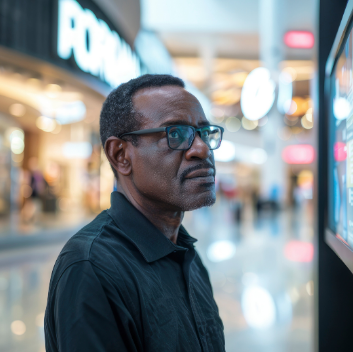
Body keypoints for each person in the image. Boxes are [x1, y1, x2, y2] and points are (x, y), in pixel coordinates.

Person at [44, 75, 226, 351]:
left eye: (204, 133)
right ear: (121, 155)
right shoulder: (91, 267)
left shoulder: (186, 255)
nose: (201, 149)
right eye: (175, 134)